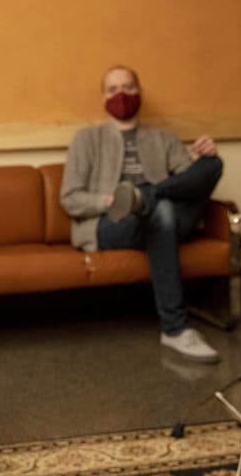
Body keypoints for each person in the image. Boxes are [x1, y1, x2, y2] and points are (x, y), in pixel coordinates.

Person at [60, 65, 224, 363]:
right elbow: (70, 198)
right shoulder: (87, 139)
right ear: (103, 98)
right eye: (112, 89)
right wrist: (110, 200)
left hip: (162, 215)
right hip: (111, 222)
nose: (121, 94)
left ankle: (147, 195)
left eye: (128, 87)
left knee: (212, 166)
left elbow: (188, 183)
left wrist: (205, 154)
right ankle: (175, 329)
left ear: (140, 92)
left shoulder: (163, 138)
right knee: (160, 210)